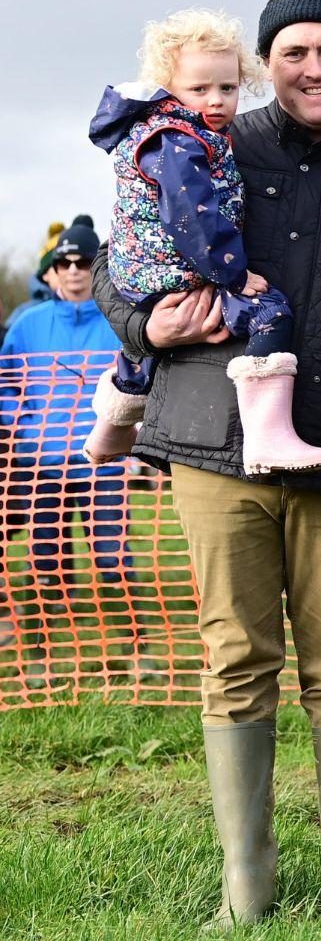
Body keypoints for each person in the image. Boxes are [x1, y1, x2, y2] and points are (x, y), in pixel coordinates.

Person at [93, 0, 321, 925]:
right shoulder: (210, 135)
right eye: (295, 52)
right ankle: (247, 884)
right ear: (268, 64)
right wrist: (149, 321)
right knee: (234, 656)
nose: (314, 67)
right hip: (214, 444)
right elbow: (118, 258)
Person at [84, 9, 321, 474]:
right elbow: (193, 218)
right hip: (174, 267)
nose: (216, 100)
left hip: (143, 271)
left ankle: (110, 429)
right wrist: (233, 275)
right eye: (199, 89)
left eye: (228, 87)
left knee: (145, 349)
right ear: (169, 88)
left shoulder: (183, 134)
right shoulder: (179, 141)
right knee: (269, 312)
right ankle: (267, 437)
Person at [0, 219, 130, 675]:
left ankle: (139, 651)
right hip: (43, 464)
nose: (74, 270)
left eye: (83, 262)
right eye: (65, 262)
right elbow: (6, 383)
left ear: (98, 269)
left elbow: (143, 383)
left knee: (114, 561)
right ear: (52, 271)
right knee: (44, 561)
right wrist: (19, 419)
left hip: (105, 463)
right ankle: (37, 656)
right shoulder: (28, 324)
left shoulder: (121, 323)